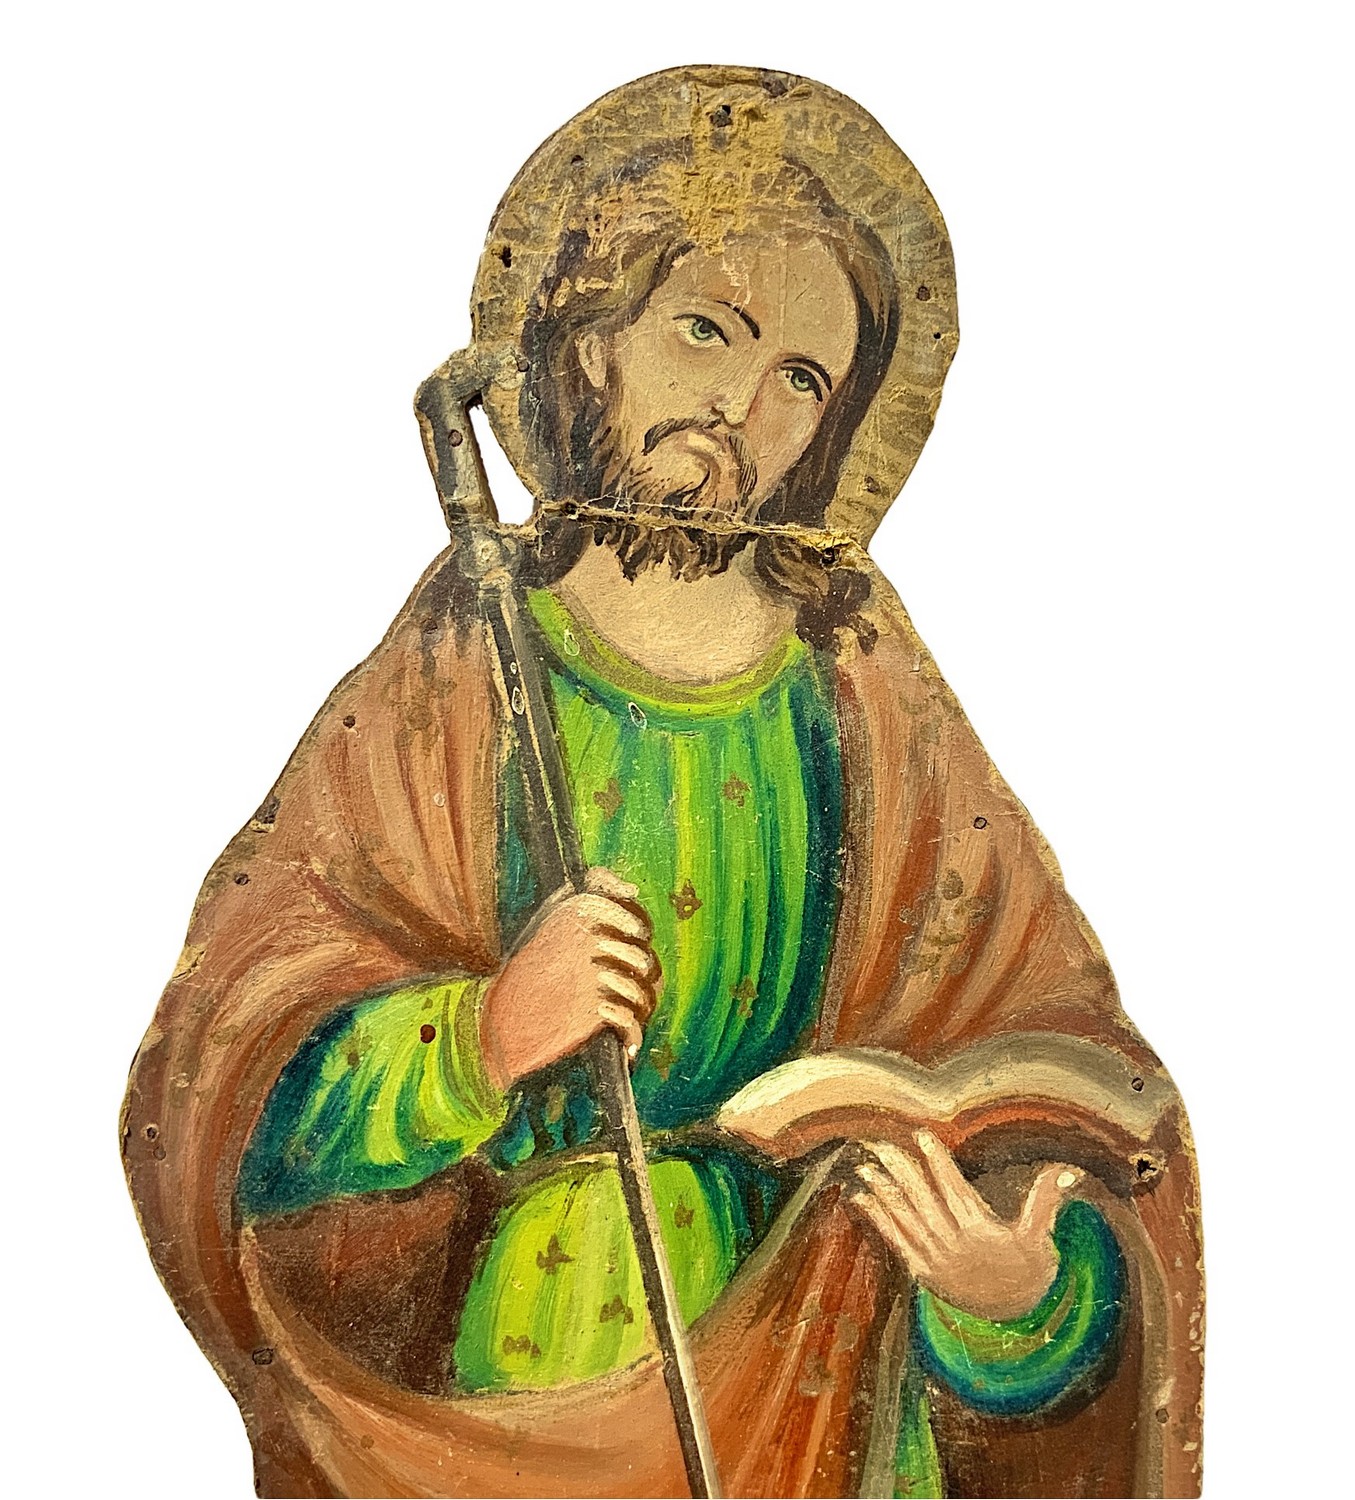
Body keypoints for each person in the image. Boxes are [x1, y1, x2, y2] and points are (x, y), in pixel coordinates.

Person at [124, 68, 1202, 1500]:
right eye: (708, 330)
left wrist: (1014, 1302)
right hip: (542, 1380)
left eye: (802, 380)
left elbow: (1071, 1096)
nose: (741, 406)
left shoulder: (862, 685)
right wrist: (480, 1038)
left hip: (832, 1379)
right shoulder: (469, 656)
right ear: (592, 339)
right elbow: (228, 1084)